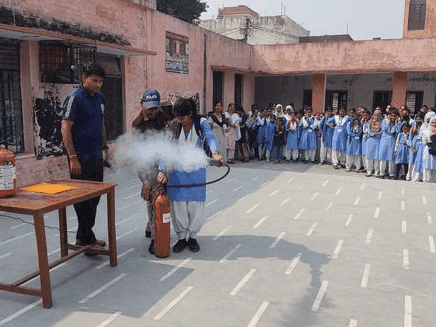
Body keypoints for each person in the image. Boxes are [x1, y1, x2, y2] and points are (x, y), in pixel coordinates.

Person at [159, 98, 222, 253]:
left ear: (190, 114)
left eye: (182, 118)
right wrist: (162, 169)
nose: (179, 120)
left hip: (196, 171)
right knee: (178, 205)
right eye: (177, 117)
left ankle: (193, 237)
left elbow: (210, 137)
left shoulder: (202, 123)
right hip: (177, 172)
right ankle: (181, 238)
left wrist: (214, 153)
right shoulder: (173, 125)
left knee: (195, 205)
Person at [61, 63, 107, 252]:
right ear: (84, 78)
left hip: (96, 155)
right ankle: (88, 240)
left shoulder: (100, 98)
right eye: (94, 80)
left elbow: (101, 123)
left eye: (101, 81)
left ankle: (83, 237)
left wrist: (104, 147)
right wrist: (72, 157)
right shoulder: (74, 98)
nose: (98, 85)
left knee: (94, 198)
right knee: (82, 200)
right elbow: (65, 129)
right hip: (80, 158)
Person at [131, 88, 171, 254]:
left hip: (163, 162)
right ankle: (156, 238)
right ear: (142, 105)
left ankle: (150, 226)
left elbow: (167, 145)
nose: (154, 111)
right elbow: (138, 156)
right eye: (150, 108)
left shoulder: (163, 117)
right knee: (154, 199)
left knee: (163, 197)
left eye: (156, 108)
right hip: (148, 166)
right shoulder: (137, 125)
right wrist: (145, 180)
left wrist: (164, 169)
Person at [378, 108, 399, 179]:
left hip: (392, 141)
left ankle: (392, 174)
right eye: (391, 116)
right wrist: (388, 122)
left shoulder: (397, 122)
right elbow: (383, 129)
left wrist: (396, 124)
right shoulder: (385, 121)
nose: (392, 117)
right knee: (383, 157)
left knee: (391, 158)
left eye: (394, 116)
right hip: (384, 140)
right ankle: (382, 173)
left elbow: (398, 131)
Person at [365, 110, 383, 177]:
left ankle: (376, 172)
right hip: (370, 141)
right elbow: (368, 132)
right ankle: (369, 171)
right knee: (369, 156)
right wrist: (376, 133)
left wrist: (376, 134)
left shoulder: (381, 123)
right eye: (375, 114)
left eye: (378, 115)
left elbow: (382, 132)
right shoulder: (369, 123)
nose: (376, 116)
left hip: (378, 141)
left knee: (377, 157)